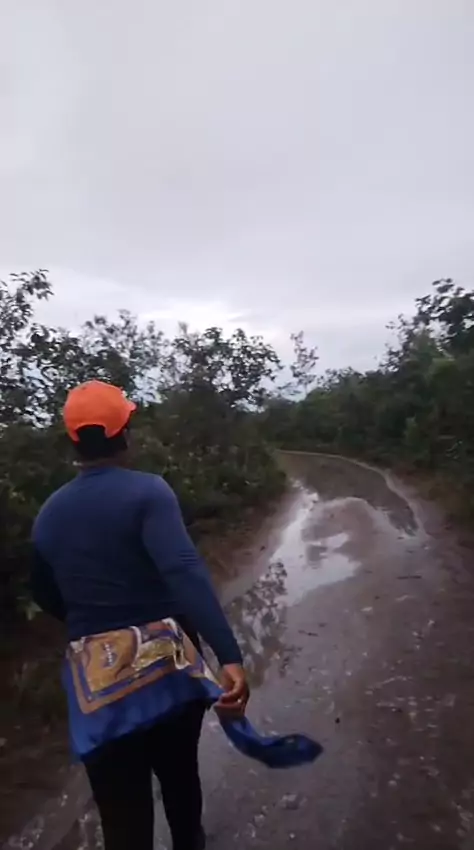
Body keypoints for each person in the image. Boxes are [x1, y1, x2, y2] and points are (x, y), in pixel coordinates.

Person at [31, 380, 249, 850]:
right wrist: (228, 656)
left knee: (122, 814)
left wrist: (94, 627)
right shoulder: (149, 492)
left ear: (73, 440)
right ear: (124, 433)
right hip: (167, 663)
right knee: (179, 775)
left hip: (96, 677)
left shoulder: (48, 513)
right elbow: (184, 572)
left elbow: (44, 593)